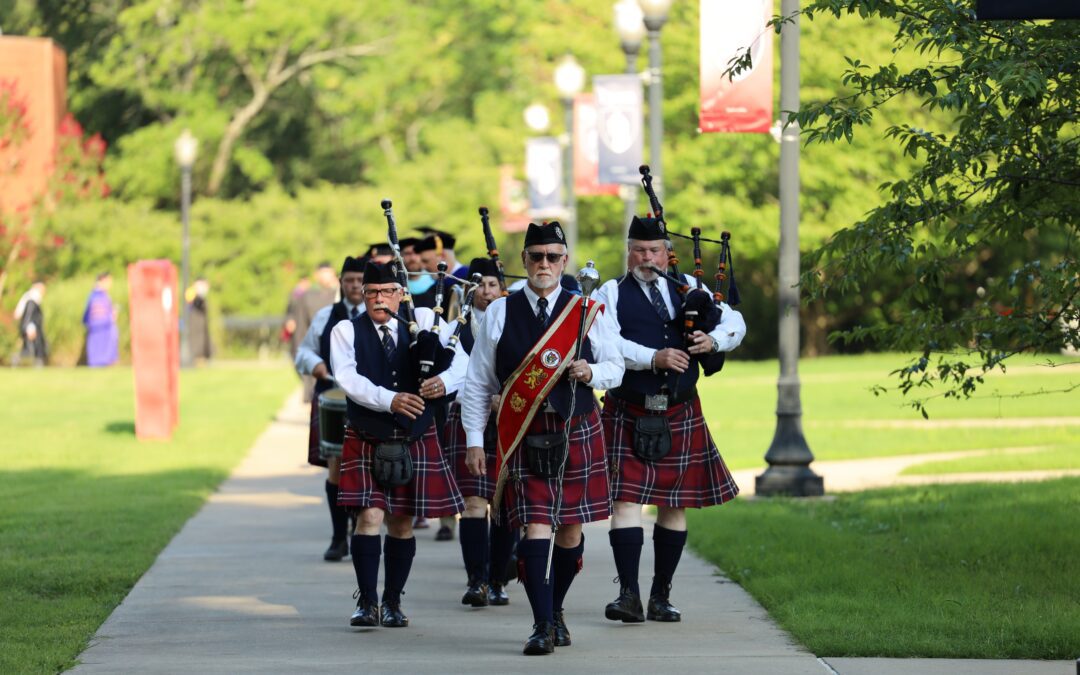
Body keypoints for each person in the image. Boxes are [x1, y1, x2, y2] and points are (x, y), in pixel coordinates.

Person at [461, 221, 624, 655]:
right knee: (534, 527)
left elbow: (616, 367)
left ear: (565, 261)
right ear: (524, 260)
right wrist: (474, 439)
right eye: (537, 256)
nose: (544, 264)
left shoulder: (587, 309)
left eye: (553, 257)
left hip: (575, 428)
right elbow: (477, 382)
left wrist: (591, 371)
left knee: (569, 531)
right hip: (525, 431)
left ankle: (556, 609)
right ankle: (541, 624)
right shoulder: (500, 312)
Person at [593, 216, 744, 625]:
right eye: (639, 250)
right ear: (628, 253)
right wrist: (652, 357)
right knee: (625, 501)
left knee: (675, 505)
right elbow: (603, 342)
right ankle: (629, 595)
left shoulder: (689, 287)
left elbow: (735, 322)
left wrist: (713, 340)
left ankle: (661, 596)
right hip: (629, 407)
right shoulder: (610, 292)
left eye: (655, 250)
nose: (647, 258)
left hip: (679, 409)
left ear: (667, 252)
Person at [330, 260, 466, 629]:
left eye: (387, 291)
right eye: (372, 292)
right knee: (370, 517)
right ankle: (367, 602)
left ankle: (392, 601)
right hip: (368, 434)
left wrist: (444, 382)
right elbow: (348, 378)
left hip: (414, 435)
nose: (379, 299)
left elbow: (462, 361)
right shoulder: (346, 330)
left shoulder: (423, 319)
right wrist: (389, 399)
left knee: (402, 523)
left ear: (400, 293)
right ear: (363, 295)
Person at [442, 257, 519, 607]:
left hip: (510, 420)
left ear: (502, 289)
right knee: (473, 503)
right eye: (480, 286)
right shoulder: (454, 329)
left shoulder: (516, 323)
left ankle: (498, 579)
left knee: (503, 504)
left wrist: (509, 398)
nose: (486, 292)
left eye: (492, 285)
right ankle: (476, 581)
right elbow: (450, 375)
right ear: (468, 291)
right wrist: (483, 398)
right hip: (468, 419)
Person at [295, 256, 367, 562]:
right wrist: (315, 364)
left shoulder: (380, 317)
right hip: (333, 400)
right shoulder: (326, 316)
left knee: (365, 468)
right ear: (341, 282)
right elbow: (304, 351)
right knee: (336, 466)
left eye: (360, 280)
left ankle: (359, 530)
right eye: (349, 280)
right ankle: (339, 537)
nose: (355, 286)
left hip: (368, 402)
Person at [297, 263, 338, 402]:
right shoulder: (307, 296)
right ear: (316, 275)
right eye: (323, 273)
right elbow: (301, 327)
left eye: (328, 273)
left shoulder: (339, 295)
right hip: (313, 348)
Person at [83, 272, 119, 367]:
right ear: (103, 281)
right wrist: (111, 317)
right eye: (109, 281)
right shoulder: (96, 296)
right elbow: (95, 315)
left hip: (104, 328)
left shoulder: (102, 295)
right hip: (99, 329)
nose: (110, 284)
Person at [14, 281, 48, 366]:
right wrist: (30, 328)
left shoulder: (29, 297)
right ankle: (16, 360)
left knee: (31, 348)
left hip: (30, 327)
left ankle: (37, 364)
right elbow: (29, 316)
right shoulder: (32, 300)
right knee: (30, 349)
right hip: (30, 328)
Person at [187, 277, 213, 362]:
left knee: (202, 338)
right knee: (196, 339)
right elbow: (192, 302)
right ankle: (197, 357)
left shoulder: (200, 295)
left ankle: (202, 357)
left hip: (200, 320)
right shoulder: (192, 292)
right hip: (195, 320)